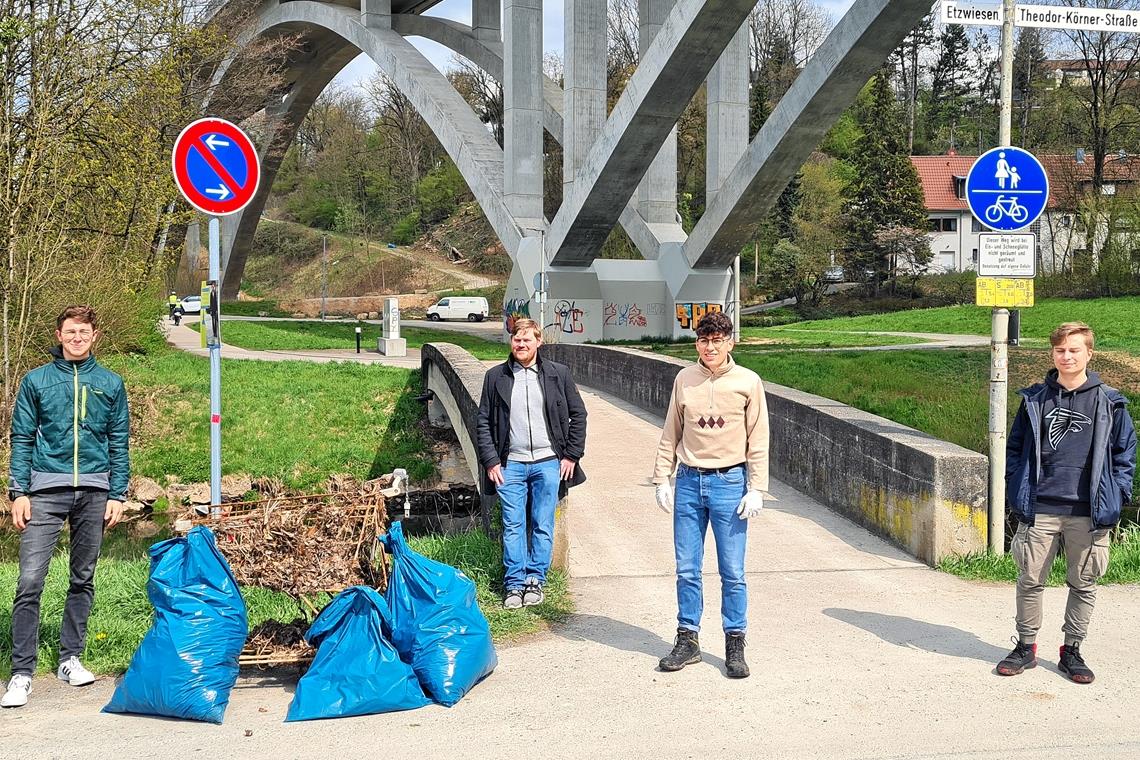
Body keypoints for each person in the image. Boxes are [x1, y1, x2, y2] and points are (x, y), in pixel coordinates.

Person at [2, 306, 131, 708]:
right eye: (70, 331)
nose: (77, 337)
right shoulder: (36, 380)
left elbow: (119, 440)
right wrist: (18, 491)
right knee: (29, 581)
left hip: (95, 490)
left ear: (95, 336)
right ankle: (21, 672)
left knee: (83, 577)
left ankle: (69, 658)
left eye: (84, 332)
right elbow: (21, 437)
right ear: (59, 335)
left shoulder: (110, 383)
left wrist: (118, 493)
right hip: (44, 489)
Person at [997, 322, 1136, 684]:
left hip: (1087, 513)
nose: (1067, 356)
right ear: (1053, 354)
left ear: (1089, 353)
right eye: (1061, 350)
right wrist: (1016, 487)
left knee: (1084, 583)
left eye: (1075, 350)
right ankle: (1025, 647)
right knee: (1029, 580)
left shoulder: (1111, 402)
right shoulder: (1035, 399)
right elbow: (1015, 449)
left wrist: (1117, 495)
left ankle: (1072, 650)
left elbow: (1125, 456)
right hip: (1040, 507)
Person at [651, 311, 769, 679]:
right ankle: (688, 639)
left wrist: (757, 487)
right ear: (697, 344)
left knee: (732, 571)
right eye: (704, 341)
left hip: (729, 484)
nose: (710, 347)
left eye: (718, 340)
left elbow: (759, 437)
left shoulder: (748, 382)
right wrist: (662, 478)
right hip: (688, 482)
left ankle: (735, 640)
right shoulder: (684, 379)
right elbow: (671, 429)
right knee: (687, 568)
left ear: (730, 342)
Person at [476, 318, 587, 609]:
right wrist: (490, 461)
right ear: (510, 342)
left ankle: (535, 579)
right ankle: (514, 583)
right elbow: (483, 421)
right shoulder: (495, 377)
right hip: (509, 463)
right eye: (516, 339)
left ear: (538, 342)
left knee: (542, 523)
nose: (520, 344)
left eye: (526, 340)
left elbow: (579, 415)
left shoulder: (557, 374)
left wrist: (571, 455)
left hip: (548, 462)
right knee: (512, 524)